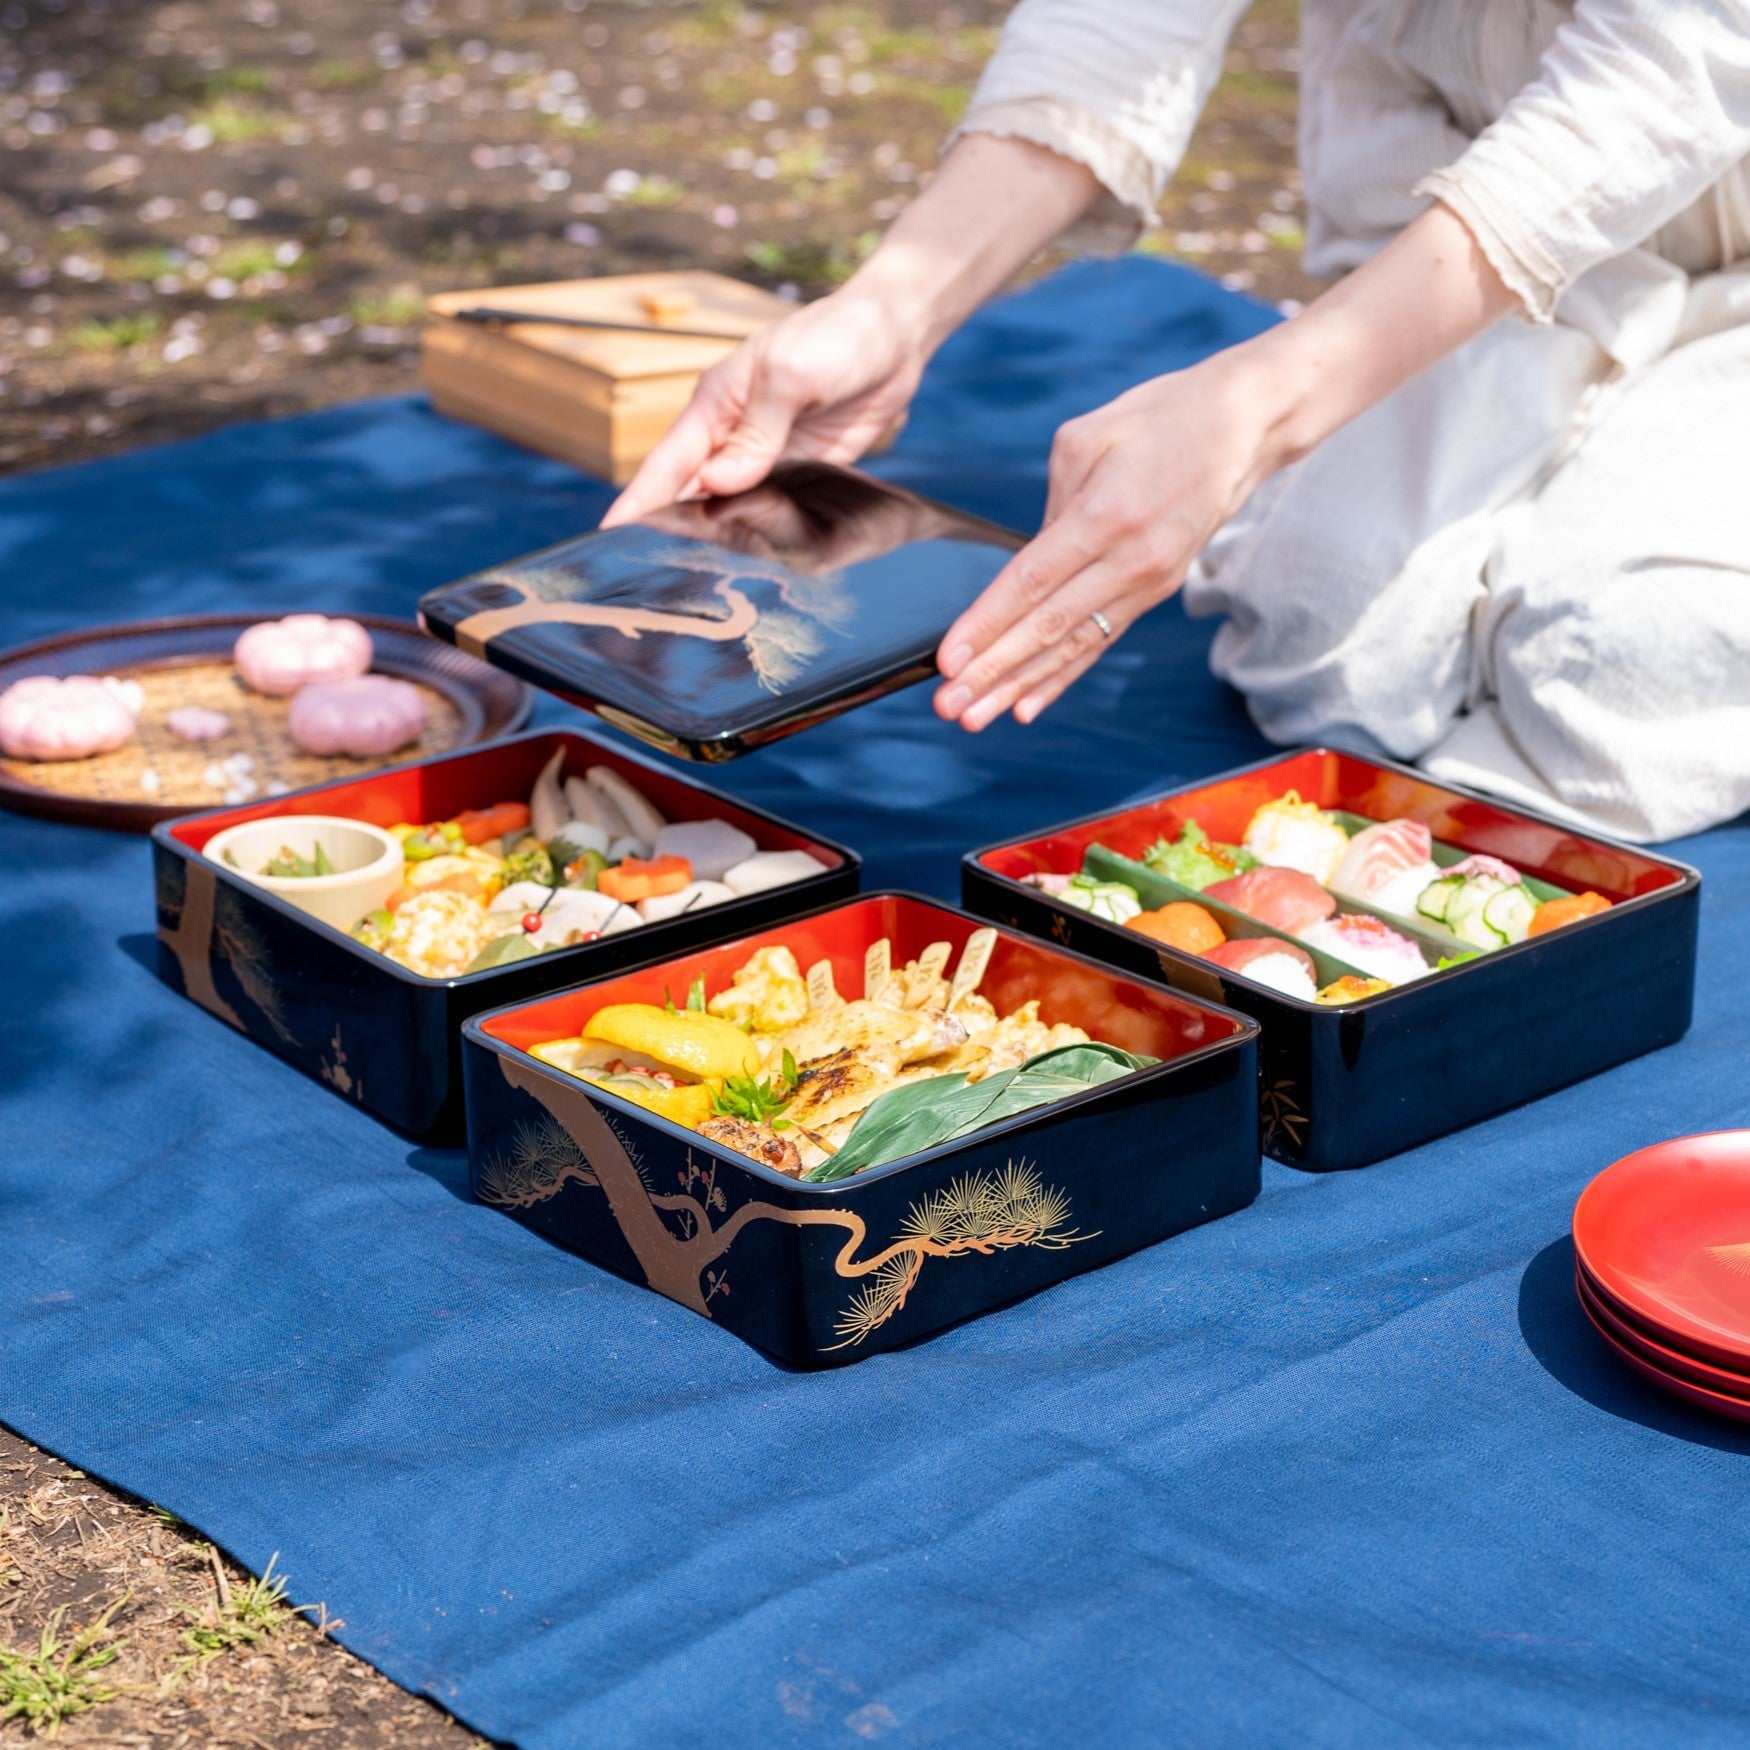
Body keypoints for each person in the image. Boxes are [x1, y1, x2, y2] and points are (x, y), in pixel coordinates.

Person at [608, 0, 1750, 843]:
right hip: (1452, 256)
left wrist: (1258, 407)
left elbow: (1659, 79)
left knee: (1616, 671)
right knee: (1320, 646)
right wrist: (890, 309)